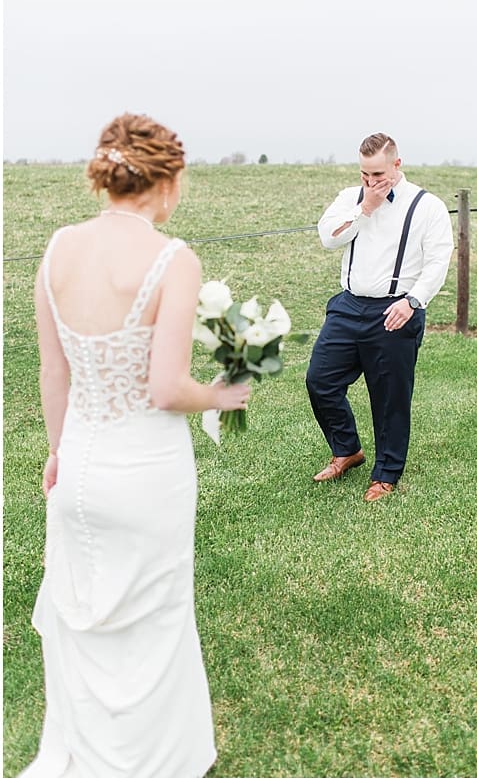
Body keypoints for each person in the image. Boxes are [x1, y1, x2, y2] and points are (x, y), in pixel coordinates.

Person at [24, 114, 250, 777]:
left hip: (80, 466)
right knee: (154, 617)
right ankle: (151, 761)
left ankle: (88, 752)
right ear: (169, 182)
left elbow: (53, 373)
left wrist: (59, 451)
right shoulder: (172, 260)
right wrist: (223, 395)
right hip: (148, 472)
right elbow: (166, 387)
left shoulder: (57, 248)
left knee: (85, 614)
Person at [306, 133, 453, 502]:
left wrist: (413, 302)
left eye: (378, 174)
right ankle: (347, 451)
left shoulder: (427, 206)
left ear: (397, 165)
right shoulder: (350, 198)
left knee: (389, 396)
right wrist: (365, 207)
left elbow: (438, 261)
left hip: (397, 308)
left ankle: (386, 473)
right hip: (349, 305)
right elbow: (328, 238)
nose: (371, 182)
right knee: (320, 380)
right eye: (364, 174)